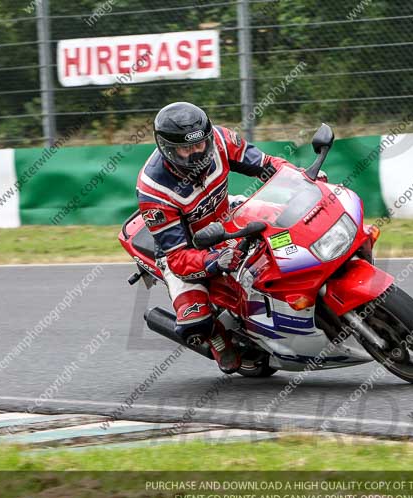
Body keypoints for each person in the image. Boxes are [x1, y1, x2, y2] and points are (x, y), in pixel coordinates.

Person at [136, 102, 325, 373]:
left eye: (200, 145)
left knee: (293, 232)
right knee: (195, 323)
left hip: (228, 214)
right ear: (167, 149)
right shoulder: (153, 190)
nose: (196, 154)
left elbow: (267, 165)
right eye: (186, 149)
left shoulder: (222, 140)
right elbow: (177, 258)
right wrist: (214, 260)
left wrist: (299, 180)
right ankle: (217, 337)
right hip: (187, 247)